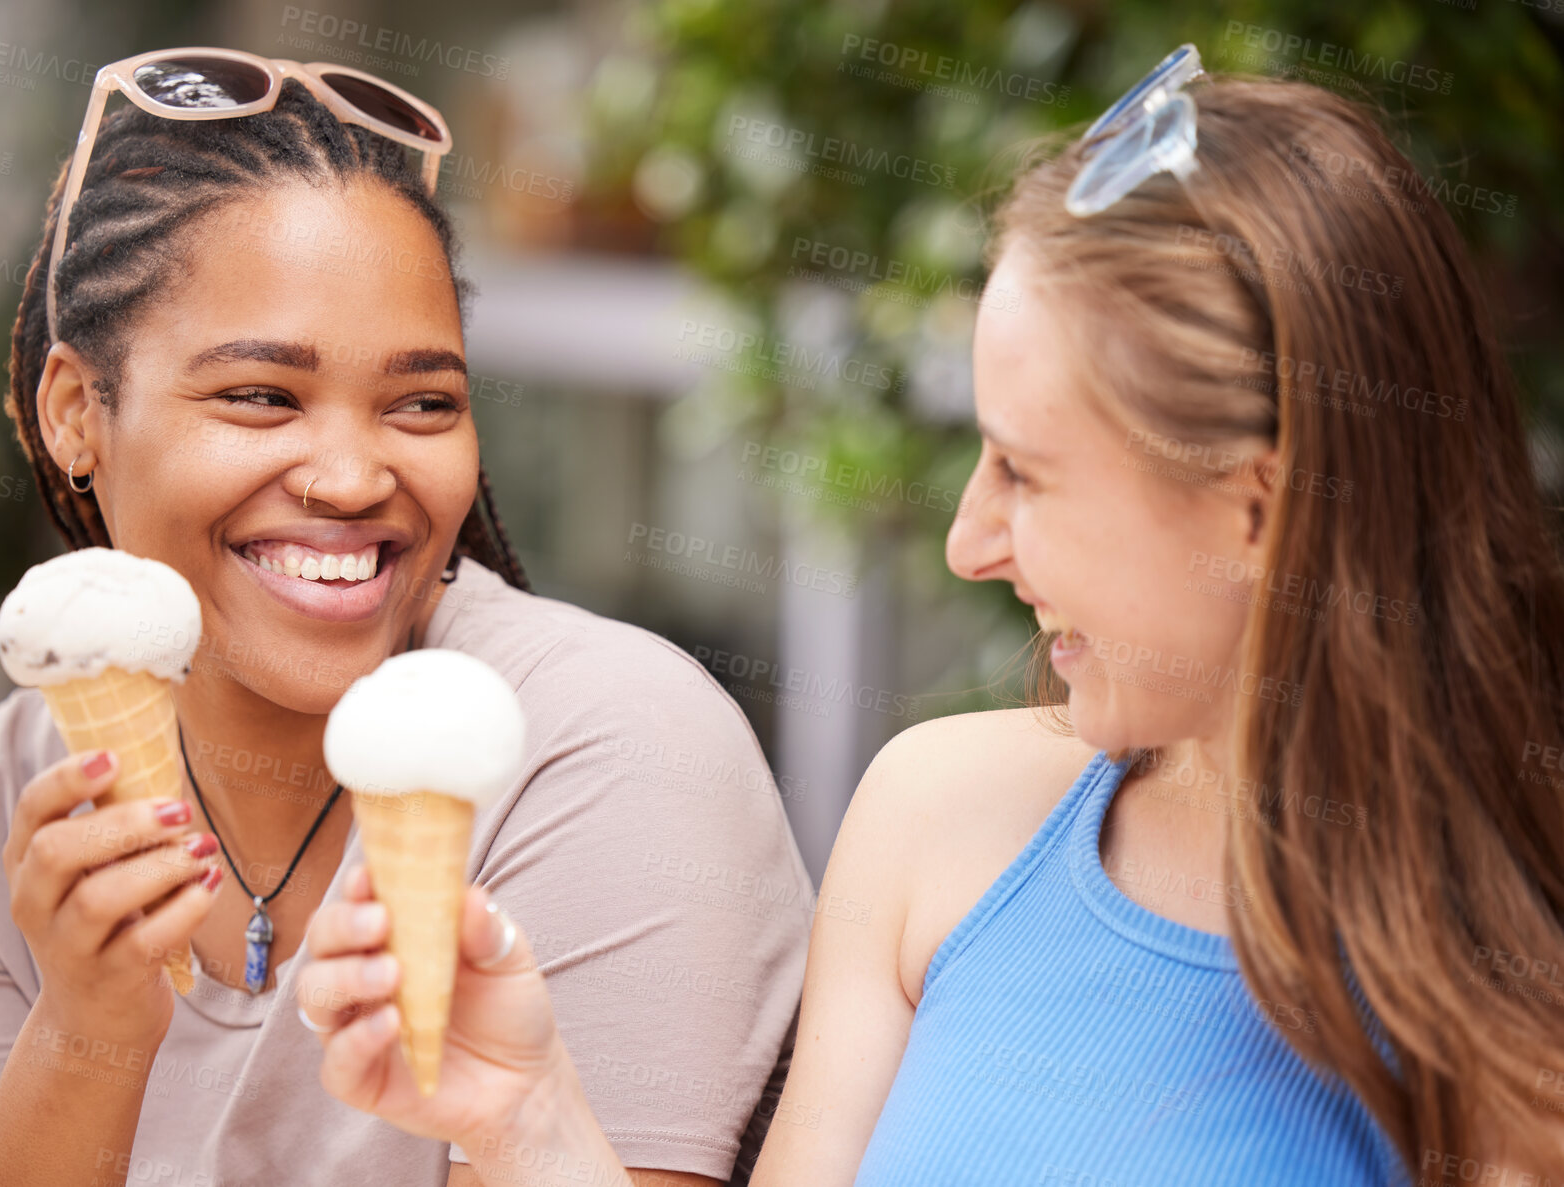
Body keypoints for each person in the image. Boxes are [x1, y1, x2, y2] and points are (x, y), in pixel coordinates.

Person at [294, 48, 1564, 1185]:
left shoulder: (1518, 1016)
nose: (970, 541)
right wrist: (528, 1122)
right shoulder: (936, 820)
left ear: (1258, 512)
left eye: (1027, 469)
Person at [0, 51, 811, 1187]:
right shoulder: (22, 784)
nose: (348, 476)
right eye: (261, 395)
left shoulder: (606, 743)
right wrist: (93, 1025)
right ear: (79, 413)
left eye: (421, 403)